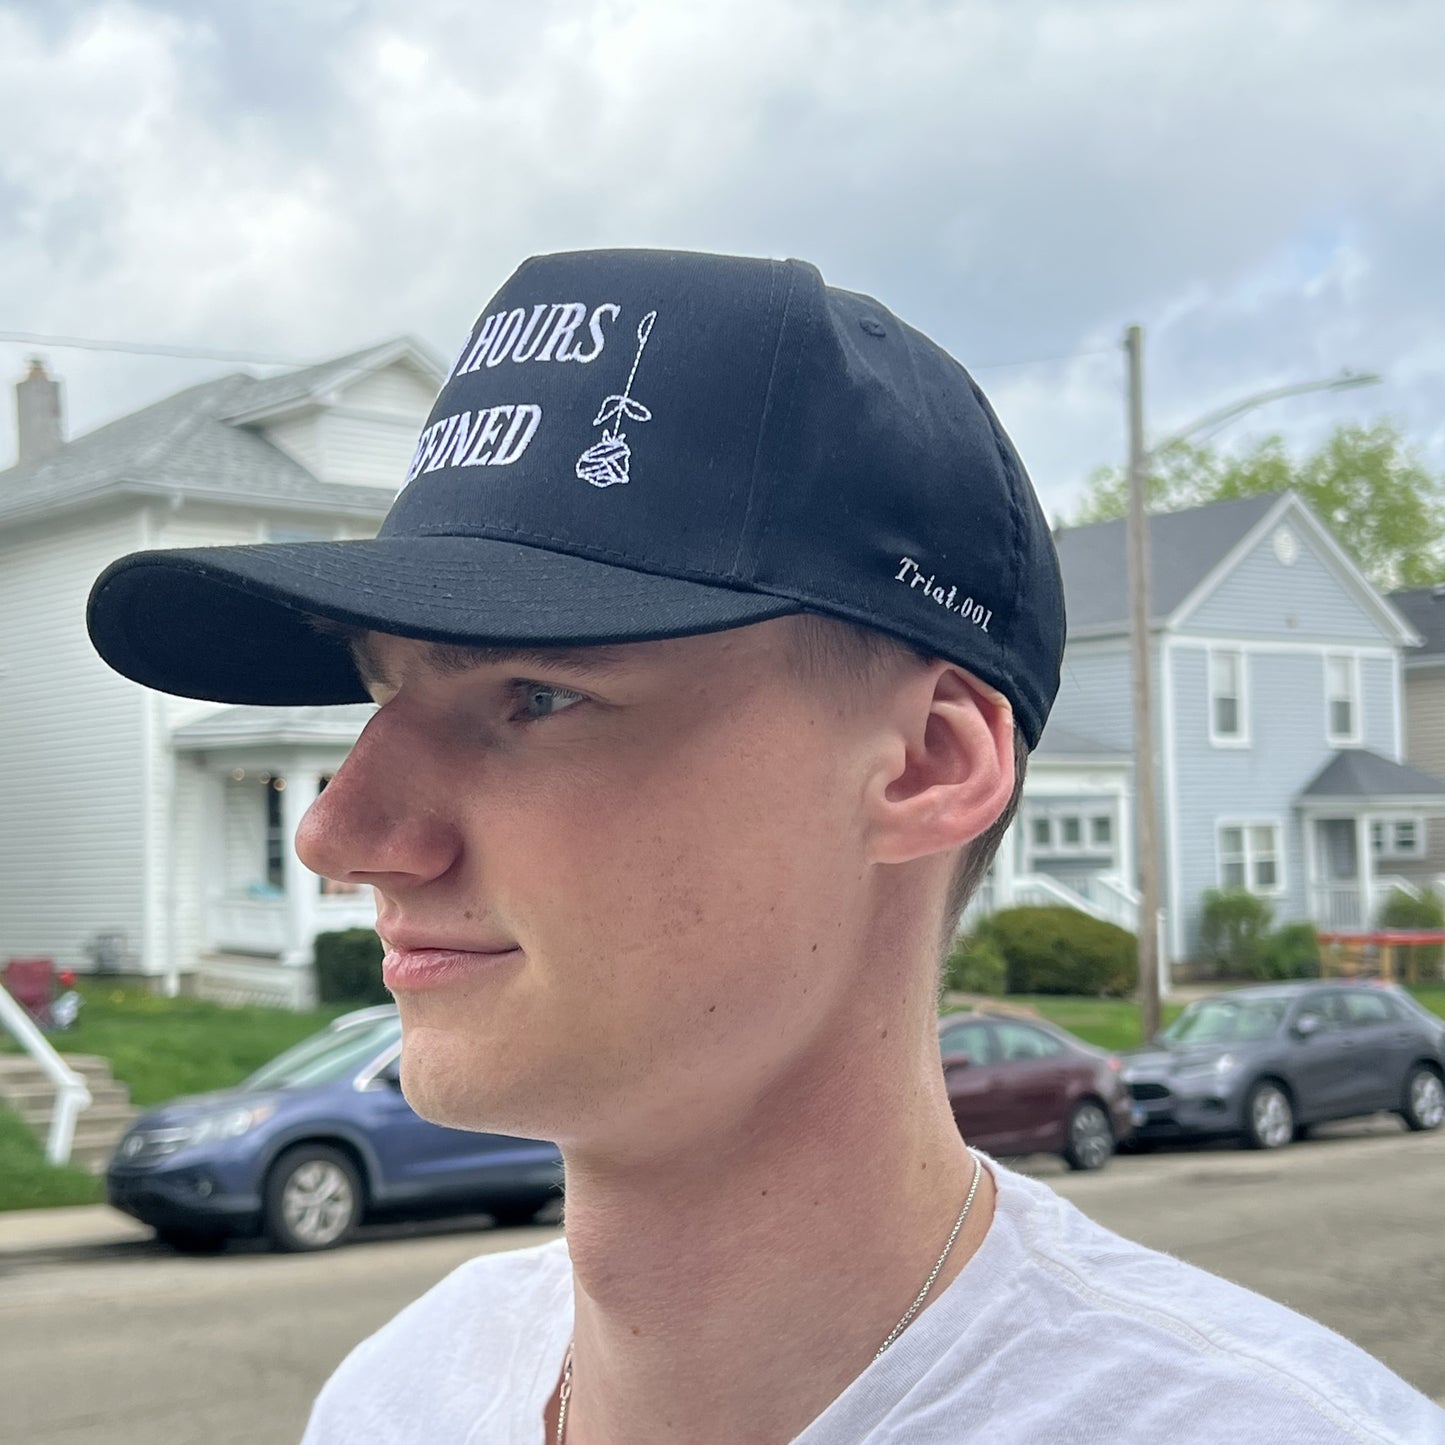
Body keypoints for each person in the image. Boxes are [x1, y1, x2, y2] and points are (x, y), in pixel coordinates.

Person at [87, 248, 1442, 1444]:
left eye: (535, 696)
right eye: (383, 695)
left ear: (927, 761)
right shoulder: (396, 1398)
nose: (342, 830)